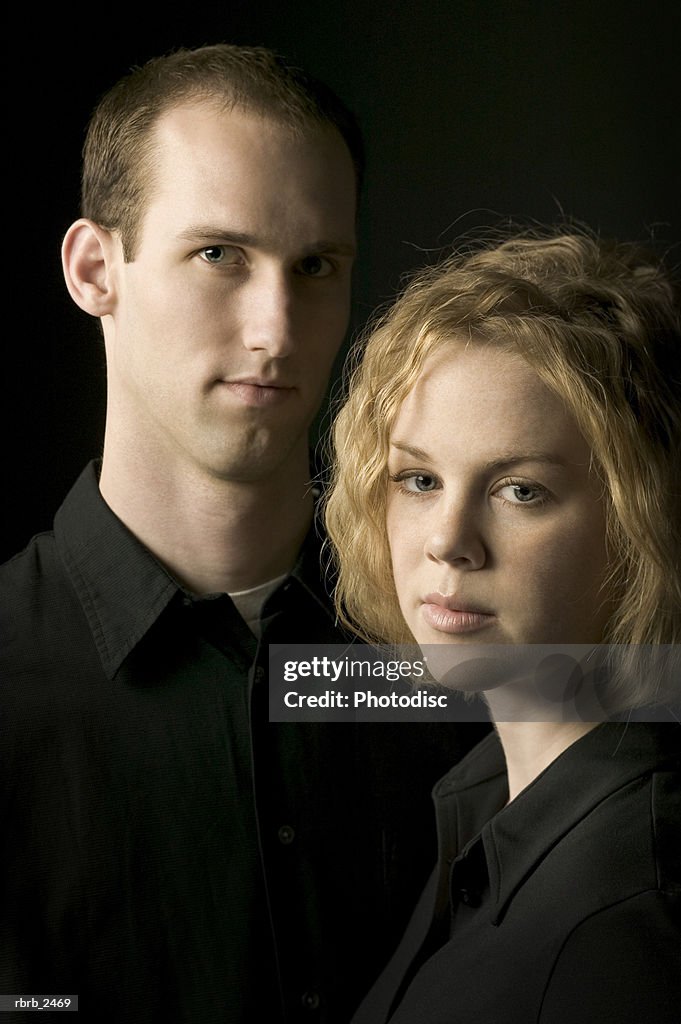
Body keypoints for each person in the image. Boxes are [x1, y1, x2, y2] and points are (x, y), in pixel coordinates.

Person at [0, 44, 489, 1024]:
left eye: (314, 266)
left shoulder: (462, 649)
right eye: (219, 254)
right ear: (97, 270)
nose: (276, 328)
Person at [324, 227, 681, 1023]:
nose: (445, 540)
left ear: (641, 524)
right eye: (418, 479)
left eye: (519, 491)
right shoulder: (486, 797)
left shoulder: (620, 931)